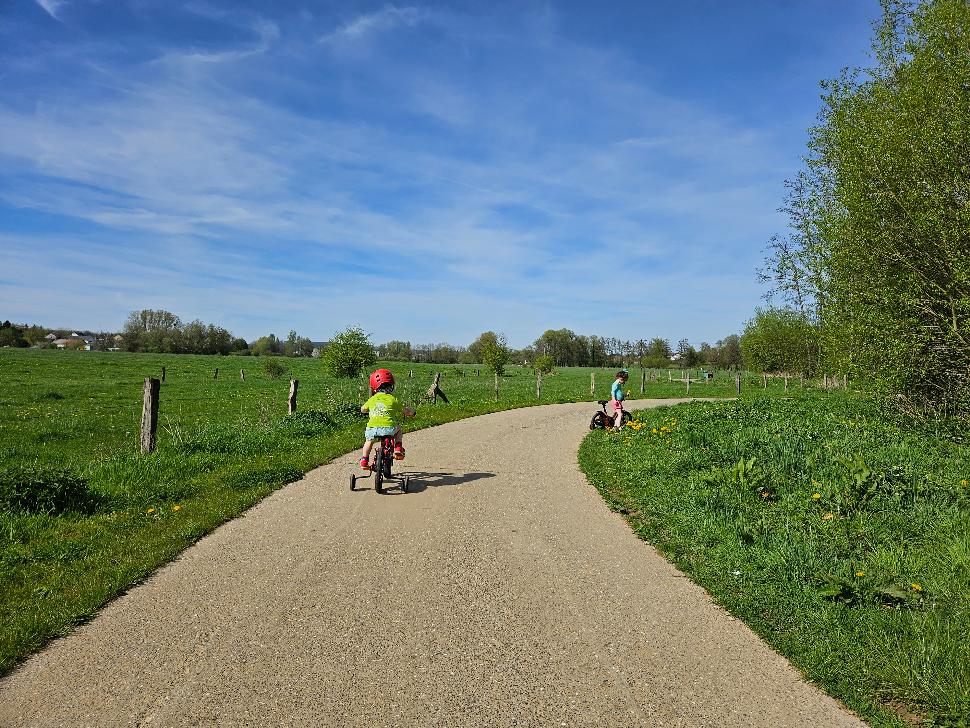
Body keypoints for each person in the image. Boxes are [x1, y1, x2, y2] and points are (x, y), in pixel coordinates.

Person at [360, 368, 415, 470]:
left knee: (368, 441)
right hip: (389, 428)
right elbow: (406, 411)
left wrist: (368, 410)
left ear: (374, 387)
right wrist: (412, 413)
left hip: (372, 428)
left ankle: (364, 459)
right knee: (398, 430)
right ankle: (398, 447)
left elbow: (363, 409)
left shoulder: (372, 399)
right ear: (391, 386)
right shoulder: (393, 399)